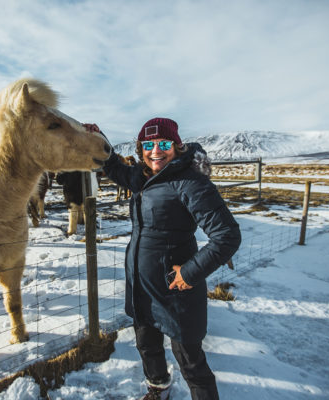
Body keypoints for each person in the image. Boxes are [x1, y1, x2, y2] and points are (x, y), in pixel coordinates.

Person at [86, 118, 241, 400]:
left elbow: (227, 235)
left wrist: (190, 273)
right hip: (142, 286)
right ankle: (158, 389)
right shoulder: (143, 177)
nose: (155, 151)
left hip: (175, 291)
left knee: (191, 362)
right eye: (148, 144)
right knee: (147, 346)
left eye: (164, 144)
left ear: (177, 146)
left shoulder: (190, 182)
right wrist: (100, 136)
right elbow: (114, 168)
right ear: (141, 148)